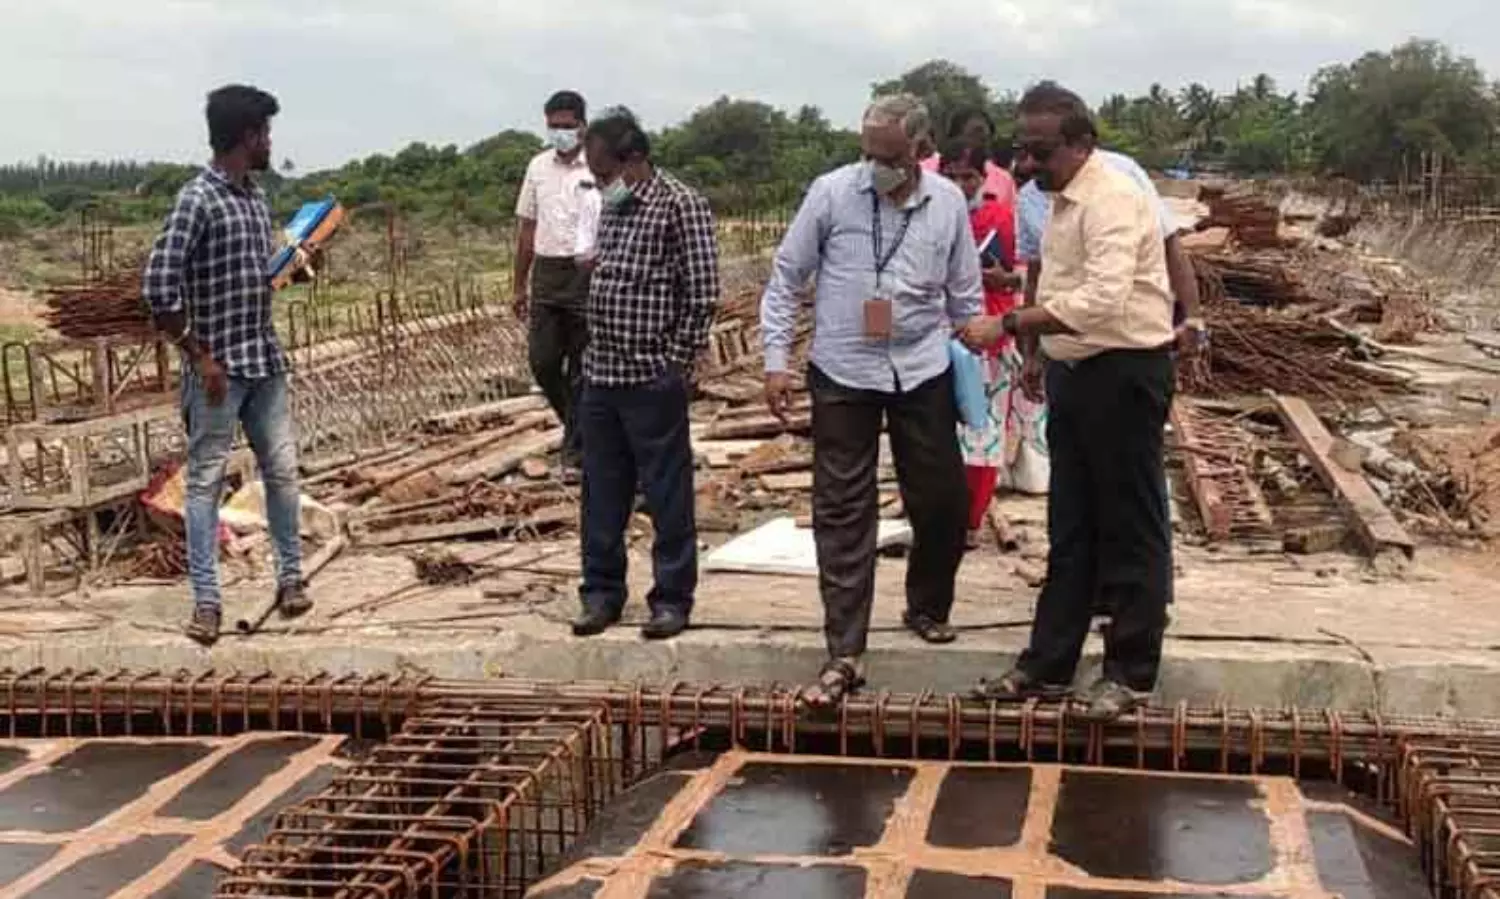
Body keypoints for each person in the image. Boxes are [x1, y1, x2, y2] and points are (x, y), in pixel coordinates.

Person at [960, 82, 1177, 721]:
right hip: (1076, 372)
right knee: (1071, 524)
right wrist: (1037, 355)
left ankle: (1130, 672)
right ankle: (1048, 665)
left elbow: (1104, 300)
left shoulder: (1112, 198)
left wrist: (1011, 325)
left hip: (1125, 371)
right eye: (1023, 150)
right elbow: (1050, 281)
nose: (1028, 164)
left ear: (1082, 144)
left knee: (1131, 525)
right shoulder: (1058, 198)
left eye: (1042, 151)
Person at [762, 94, 981, 707]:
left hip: (922, 367)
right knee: (842, 509)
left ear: (920, 149)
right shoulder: (832, 194)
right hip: (843, 369)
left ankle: (927, 605)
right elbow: (786, 278)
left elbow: (964, 294)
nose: (877, 168)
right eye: (870, 155)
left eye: (889, 157)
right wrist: (776, 361)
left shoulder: (948, 204)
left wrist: (984, 350)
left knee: (942, 499)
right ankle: (845, 647)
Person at [142, 85, 308, 646]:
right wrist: (200, 356)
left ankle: (291, 579)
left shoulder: (255, 199)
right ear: (246, 136)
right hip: (218, 372)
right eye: (265, 133)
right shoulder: (197, 200)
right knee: (205, 484)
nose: (270, 143)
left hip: (264, 361)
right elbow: (158, 287)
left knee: (282, 473)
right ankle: (207, 602)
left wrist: (291, 270)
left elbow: (252, 276)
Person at [571, 108, 720, 641]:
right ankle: (601, 593)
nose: (601, 183)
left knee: (665, 491)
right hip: (601, 372)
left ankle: (672, 598)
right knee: (601, 490)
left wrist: (675, 362)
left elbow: (703, 293)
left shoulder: (681, 205)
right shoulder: (614, 205)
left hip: (651, 374)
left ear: (634, 159)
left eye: (606, 172)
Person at [935, 143, 1047, 550]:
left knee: (983, 433)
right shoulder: (926, 216)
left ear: (984, 179)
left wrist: (1006, 280)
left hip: (989, 338)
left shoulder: (1001, 218)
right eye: (951, 176)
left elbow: (1031, 273)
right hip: (935, 338)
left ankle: (971, 518)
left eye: (968, 177)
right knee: (938, 431)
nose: (959, 185)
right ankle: (941, 513)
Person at [513, 90, 596, 470]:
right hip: (546, 273)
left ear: (582, 126)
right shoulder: (537, 167)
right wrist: (519, 285)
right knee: (543, 362)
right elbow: (527, 229)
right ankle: (578, 429)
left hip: (586, 273)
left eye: (567, 126)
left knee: (582, 365)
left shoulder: (599, 166)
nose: (560, 133)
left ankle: (576, 446)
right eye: (553, 126)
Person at [921, 107, 1017, 208]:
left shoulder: (1004, 179)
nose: (959, 185)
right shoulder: (924, 170)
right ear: (954, 137)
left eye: (984, 138)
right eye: (973, 136)